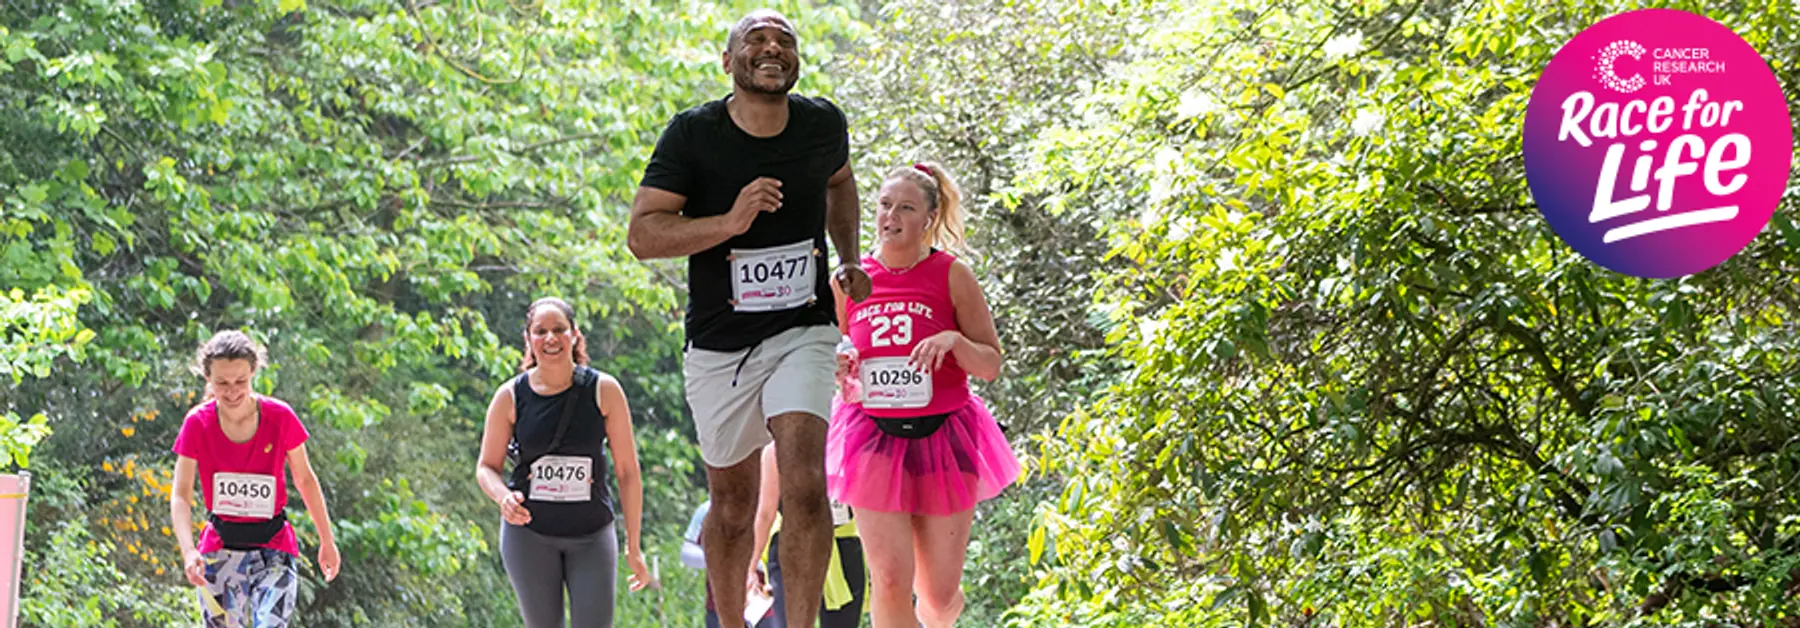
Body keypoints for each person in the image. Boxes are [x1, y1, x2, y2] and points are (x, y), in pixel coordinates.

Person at [627, 8, 872, 627]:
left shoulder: (822, 124)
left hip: (804, 328)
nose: (771, 48)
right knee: (732, 508)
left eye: (783, 40)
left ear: (795, 59)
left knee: (804, 485)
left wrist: (846, 257)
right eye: (755, 41)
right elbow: (643, 234)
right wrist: (731, 223)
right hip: (720, 344)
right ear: (728, 62)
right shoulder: (693, 135)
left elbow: (841, 183)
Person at [826, 163, 1021, 627]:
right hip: (871, 435)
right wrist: (836, 364)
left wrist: (953, 342)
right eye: (885, 205)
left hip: (944, 435)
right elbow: (830, 351)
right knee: (890, 582)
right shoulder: (847, 281)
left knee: (938, 595)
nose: (891, 216)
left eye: (906, 208)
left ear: (928, 218)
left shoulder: (952, 275)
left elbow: (990, 364)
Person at [476, 297, 656, 627]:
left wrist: (633, 544)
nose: (550, 339)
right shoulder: (510, 396)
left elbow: (628, 472)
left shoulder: (604, 390)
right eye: (540, 331)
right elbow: (487, 466)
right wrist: (503, 497)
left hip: (591, 534)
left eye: (559, 330)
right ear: (528, 339)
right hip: (529, 534)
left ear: (574, 335)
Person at [169, 330, 341, 628]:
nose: (232, 391)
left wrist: (327, 540)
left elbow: (305, 480)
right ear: (208, 378)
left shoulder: (280, 417)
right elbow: (181, 494)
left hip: (273, 548)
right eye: (222, 383)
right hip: (219, 549)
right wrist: (188, 551)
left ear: (253, 373)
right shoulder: (197, 423)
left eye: (241, 381)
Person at [748, 444, 866, 628]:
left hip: (843, 545)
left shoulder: (851, 445)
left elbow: (866, 508)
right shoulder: (775, 451)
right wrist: (751, 565)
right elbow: (765, 514)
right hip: (791, 546)